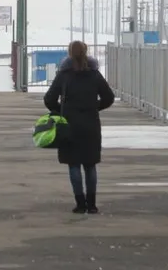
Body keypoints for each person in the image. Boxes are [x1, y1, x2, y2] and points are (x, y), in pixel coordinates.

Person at [43, 41, 115, 214]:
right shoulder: (94, 74)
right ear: (86, 52)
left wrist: (59, 109)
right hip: (91, 124)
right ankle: (92, 204)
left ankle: (80, 203)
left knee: (73, 164)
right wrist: (95, 106)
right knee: (90, 165)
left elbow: (49, 99)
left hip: (69, 125)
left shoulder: (64, 75)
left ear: (69, 54)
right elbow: (109, 97)